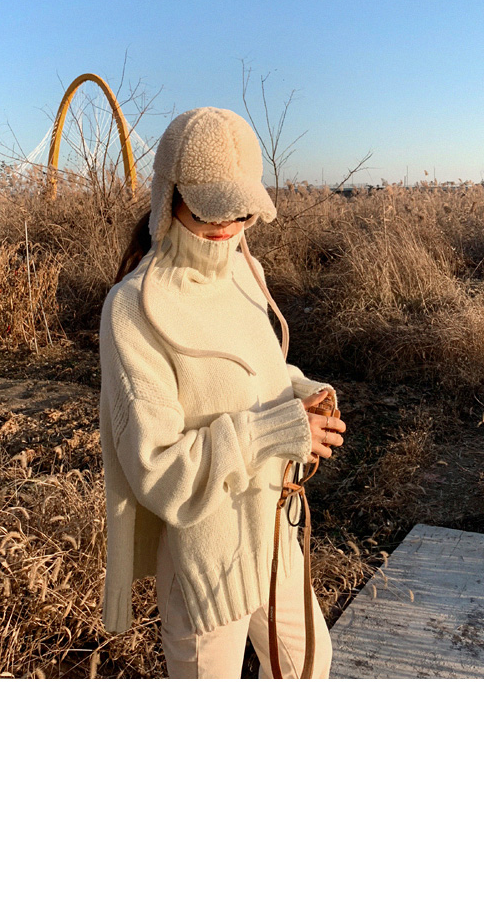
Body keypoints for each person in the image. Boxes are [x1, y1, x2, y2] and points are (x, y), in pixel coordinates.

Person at [99, 105, 345, 680]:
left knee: (310, 668)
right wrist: (279, 431)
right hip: (205, 562)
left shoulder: (243, 273)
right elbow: (159, 468)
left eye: (241, 209)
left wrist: (304, 391)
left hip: (275, 534)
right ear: (169, 197)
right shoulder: (135, 308)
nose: (228, 227)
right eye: (210, 208)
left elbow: (259, 373)